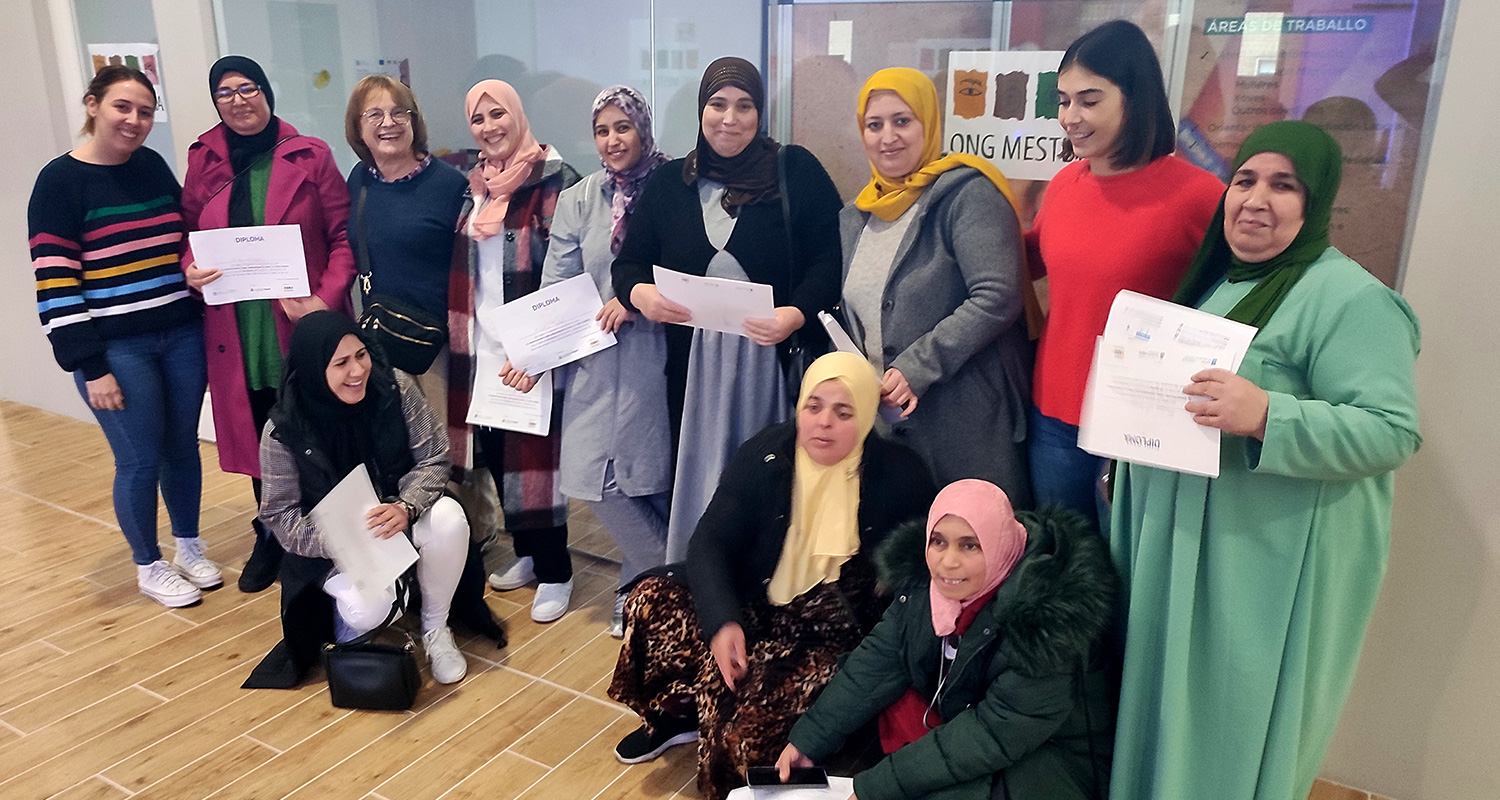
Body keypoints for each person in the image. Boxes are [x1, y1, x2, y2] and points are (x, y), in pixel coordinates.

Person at [1108, 121, 1421, 800]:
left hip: (1258, 567)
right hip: (1182, 546)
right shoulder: (1219, 282)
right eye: (1245, 180)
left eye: (1283, 185)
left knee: (1229, 723)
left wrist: (1267, 414)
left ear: (1316, 202)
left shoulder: (1353, 301)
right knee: (1164, 712)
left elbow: (1391, 431)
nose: (1255, 200)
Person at [607, 352, 938, 800]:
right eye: (813, 406)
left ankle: (753, 713)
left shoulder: (900, 475)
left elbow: (920, 576)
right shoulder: (768, 453)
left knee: (743, 747)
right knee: (650, 600)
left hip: (828, 631)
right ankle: (683, 712)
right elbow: (709, 541)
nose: (823, 423)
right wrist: (722, 621)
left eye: (843, 413)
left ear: (864, 417)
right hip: (756, 596)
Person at [611, 56, 845, 562]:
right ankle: (701, 576)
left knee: (771, 474)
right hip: (693, 373)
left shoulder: (795, 172)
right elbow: (628, 264)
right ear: (701, 110)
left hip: (771, 366)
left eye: (744, 106)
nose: (729, 119)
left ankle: (767, 579)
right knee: (699, 474)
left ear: (760, 113)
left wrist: (795, 314)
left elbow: (830, 260)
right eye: (717, 104)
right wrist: (641, 295)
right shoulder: (670, 184)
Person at [778, 480, 1118, 800]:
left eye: (970, 545)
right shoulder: (925, 586)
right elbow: (879, 658)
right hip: (966, 724)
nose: (948, 562)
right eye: (938, 542)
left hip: (1049, 760)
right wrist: (809, 741)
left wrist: (877, 788)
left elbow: (991, 733)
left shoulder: (1044, 623)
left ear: (999, 545)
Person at [27, 66, 218, 607]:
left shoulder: (151, 166)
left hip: (181, 333)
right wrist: (90, 367)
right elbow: (56, 281)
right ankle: (149, 565)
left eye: (145, 111)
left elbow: (181, 239)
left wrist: (189, 268)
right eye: (122, 107)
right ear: (93, 105)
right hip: (118, 349)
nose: (134, 120)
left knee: (181, 447)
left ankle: (188, 545)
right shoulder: (58, 182)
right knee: (138, 459)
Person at [1025, 20, 1225, 527]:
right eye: (1064, 100)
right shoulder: (1066, 184)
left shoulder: (1197, 195)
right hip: (1054, 413)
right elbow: (1032, 260)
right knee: (1062, 558)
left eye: (1089, 100)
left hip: (1143, 423)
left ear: (1134, 99)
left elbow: (1236, 293)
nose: (1070, 116)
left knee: (1131, 566)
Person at [501, 85, 674, 637]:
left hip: (657, 356)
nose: (612, 139)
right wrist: (532, 353)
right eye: (602, 130)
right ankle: (676, 582)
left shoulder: (673, 188)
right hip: (592, 360)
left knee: (651, 482)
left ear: (643, 129)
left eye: (623, 127)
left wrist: (635, 298)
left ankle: (639, 588)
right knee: (595, 481)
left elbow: (687, 267)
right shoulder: (580, 199)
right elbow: (558, 285)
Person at [181, 55, 356, 593]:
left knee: (319, 428)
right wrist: (189, 269)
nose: (239, 100)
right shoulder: (203, 159)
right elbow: (189, 234)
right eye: (225, 92)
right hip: (237, 330)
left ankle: (334, 535)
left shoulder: (310, 154)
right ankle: (272, 534)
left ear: (266, 92)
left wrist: (324, 301)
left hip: (302, 324)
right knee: (262, 434)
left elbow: (343, 237)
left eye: (248, 87)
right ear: (215, 102)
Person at [840, 67, 1034, 502]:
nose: (888, 137)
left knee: (974, 535)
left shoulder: (967, 193)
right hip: (889, 428)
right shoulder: (856, 216)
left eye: (902, 121)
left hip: (965, 421)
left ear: (928, 123)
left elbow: (997, 295)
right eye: (875, 125)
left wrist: (916, 367)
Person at [248, 312, 470, 686]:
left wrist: (406, 505)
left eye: (362, 355)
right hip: (333, 547)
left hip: (397, 514)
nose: (358, 371)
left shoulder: (394, 388)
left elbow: (434, 456)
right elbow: (279, 514)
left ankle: (435, 628)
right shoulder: (283, 429)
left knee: (449, 519)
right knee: (367, 611)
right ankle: (355, 617)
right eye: (341, 363)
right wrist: (343, 539)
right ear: (314, 369)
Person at [450, 80, 582, 623]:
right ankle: (527, 554)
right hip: (481, 345)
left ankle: (556, 569)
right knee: (501, 454)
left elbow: (572, 272)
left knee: (537, 462)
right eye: (478, 119)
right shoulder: (476, 186)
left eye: (497, 114)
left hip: (533, 348)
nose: (489, 127)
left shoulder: (557, 181)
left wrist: (541, 347)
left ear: (518, 115)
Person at [342, 74, 468, 384]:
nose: (389, 122)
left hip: (434, 350)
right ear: (358, 127)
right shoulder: (359, 179)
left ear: (414, 122)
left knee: (433, 419)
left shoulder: (450, 185)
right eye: (374, 114)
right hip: (378, 344)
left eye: (399, 112)